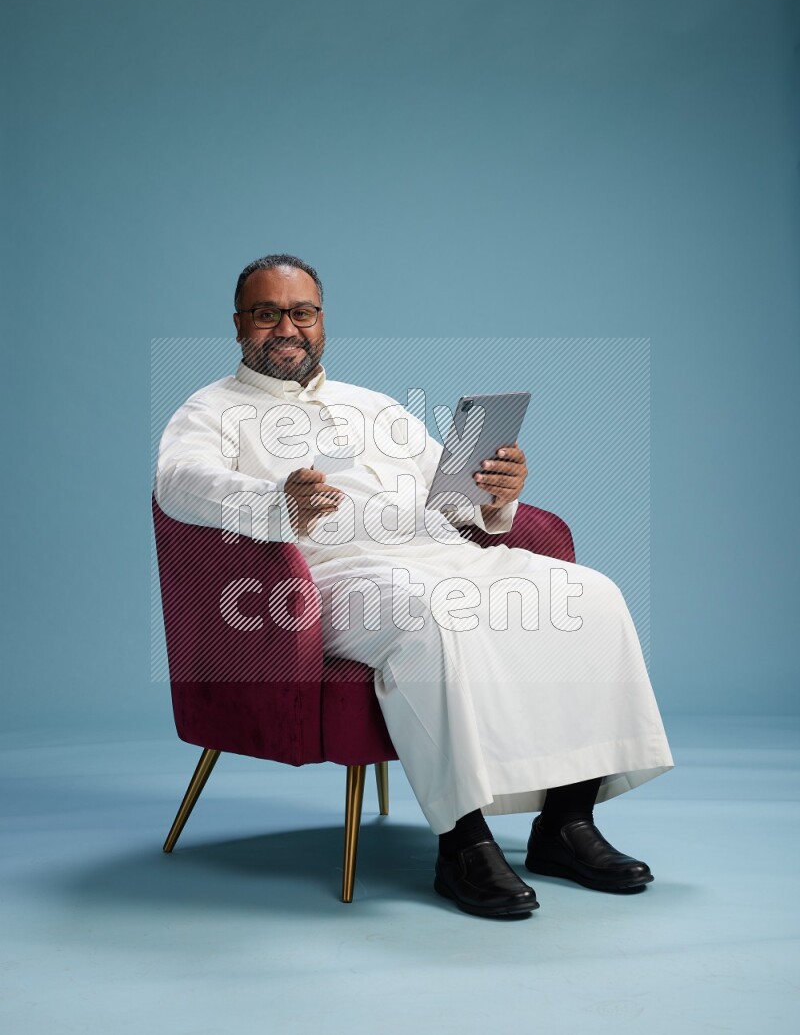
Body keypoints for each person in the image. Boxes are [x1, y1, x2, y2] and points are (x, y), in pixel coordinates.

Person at [156, 253, 674, 918]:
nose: (287, 327)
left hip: (437, 551)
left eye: (302, 312)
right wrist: (276, 500)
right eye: (267, 313)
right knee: (430, 616)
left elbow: (449, 496)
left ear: (321, 321)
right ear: (238, 326)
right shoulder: (209, 411)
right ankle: (463, 845)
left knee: (589, 595)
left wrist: (495, 497)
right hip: (326, 580)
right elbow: (179, 484)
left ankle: (566, 825)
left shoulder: (375, 406)